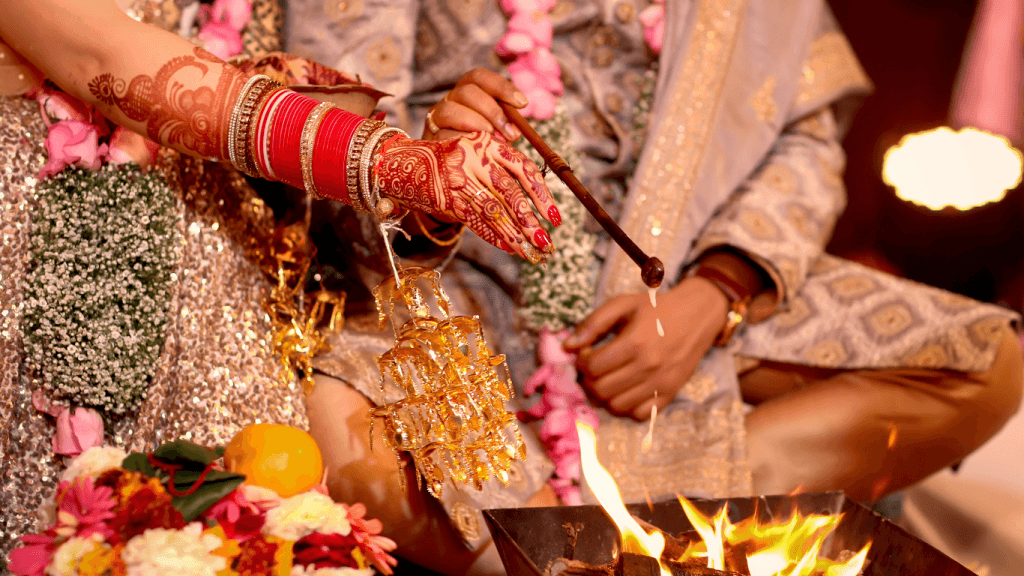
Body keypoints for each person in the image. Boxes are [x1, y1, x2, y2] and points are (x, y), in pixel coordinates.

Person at [286, 0, 1024, 572]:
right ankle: (612, 547)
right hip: (452, 286)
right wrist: (426, 172)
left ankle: (611, 535)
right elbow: (327, 139)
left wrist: (719, 294)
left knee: (986, 363)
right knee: (328, 412)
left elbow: (803, 136)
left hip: (681, 288)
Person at [0, 0, 557, 564]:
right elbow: (105, 54)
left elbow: (323, 208)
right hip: (47, 266)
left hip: (244, 318)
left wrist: (420, 196)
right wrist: (396, 164)